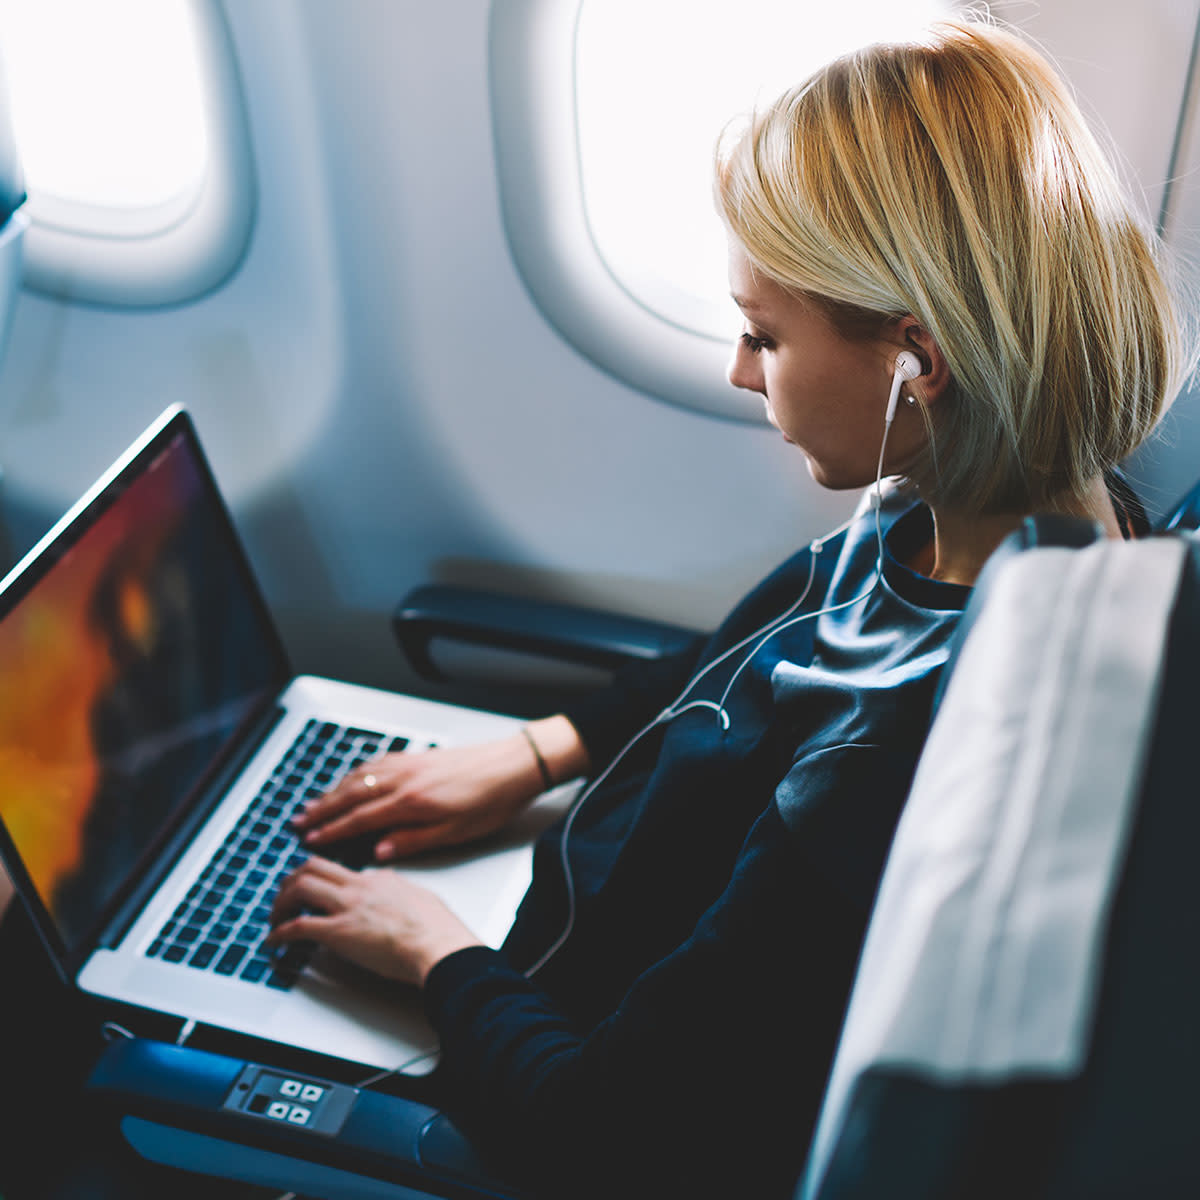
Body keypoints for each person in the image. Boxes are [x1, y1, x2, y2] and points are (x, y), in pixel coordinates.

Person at [268, 17, 1190, 1198]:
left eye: (765, 334)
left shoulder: (888, 772)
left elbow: (599, 1128)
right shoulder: (986, 516)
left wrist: (434, 954)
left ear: (919, 359)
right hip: (582, 935)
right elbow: (749, 655)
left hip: (550, 1062)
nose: (739, 372)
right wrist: (540, 749)